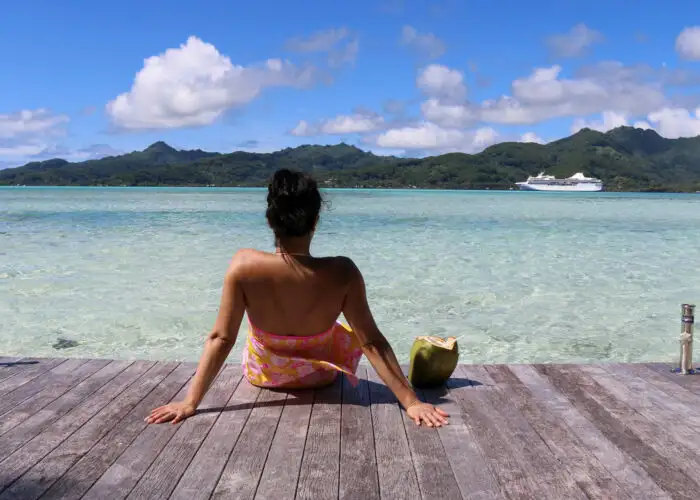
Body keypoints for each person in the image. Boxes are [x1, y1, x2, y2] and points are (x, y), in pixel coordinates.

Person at [146, 169, 449, 428]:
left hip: (263, 376)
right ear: (315, 220)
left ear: (270, 220)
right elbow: (371, 342)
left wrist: (190, 402)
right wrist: (411, 402)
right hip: (320, 378)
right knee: (342, 333)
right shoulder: (342, 272)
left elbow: (221, 339)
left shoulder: (243, 266)